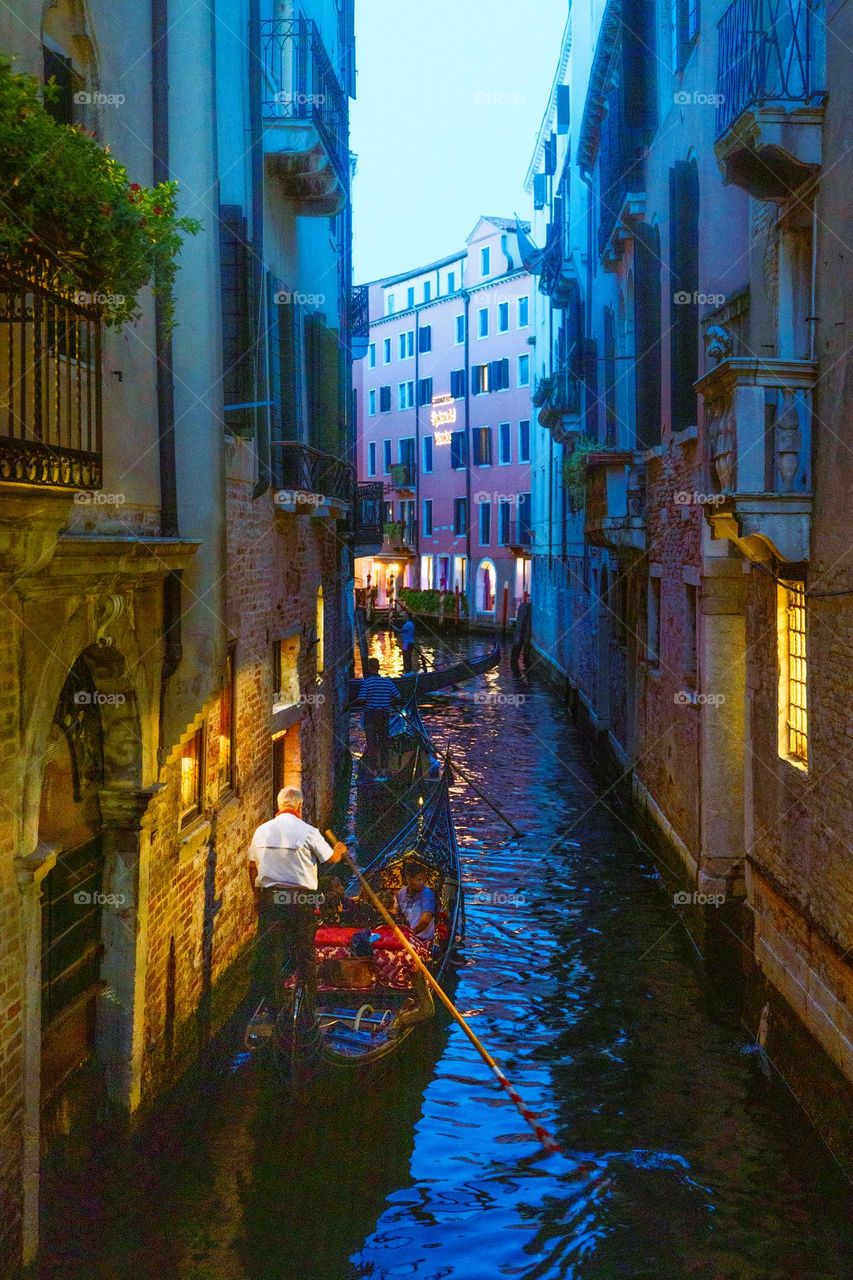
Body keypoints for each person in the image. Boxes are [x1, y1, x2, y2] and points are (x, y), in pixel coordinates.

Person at [248, 786, 348, 1011]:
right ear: (300, 807)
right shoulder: (309, 832)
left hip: (273, 898)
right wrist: (339, 850)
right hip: (301, 899)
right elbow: (330, 859)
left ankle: (274, 1004)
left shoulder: (261, 831)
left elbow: (252, 867)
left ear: (279, 806)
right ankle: (308, 1004)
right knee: (304, 951)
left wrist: (257, 898)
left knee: (272, 951)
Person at [360, 657, 399, 776]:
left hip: (371, 715)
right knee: (384, 742)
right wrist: (387, 700)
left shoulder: (366, 682)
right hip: (384, 715)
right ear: (378, 668)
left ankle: (374, 770)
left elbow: (361, 699)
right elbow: (397, 696)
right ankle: (384, 769)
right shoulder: (387, 682)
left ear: (369, 668)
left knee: (371, 743)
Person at [395, 858, 436, 942]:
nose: (422, 883)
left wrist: (411, 934)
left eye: (423, 879)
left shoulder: (427, 894)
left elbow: (425, 920)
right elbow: (399, 914)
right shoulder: (401, 893)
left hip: (423, 939)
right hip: (407, 937)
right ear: (409, 879)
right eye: (418, 880)